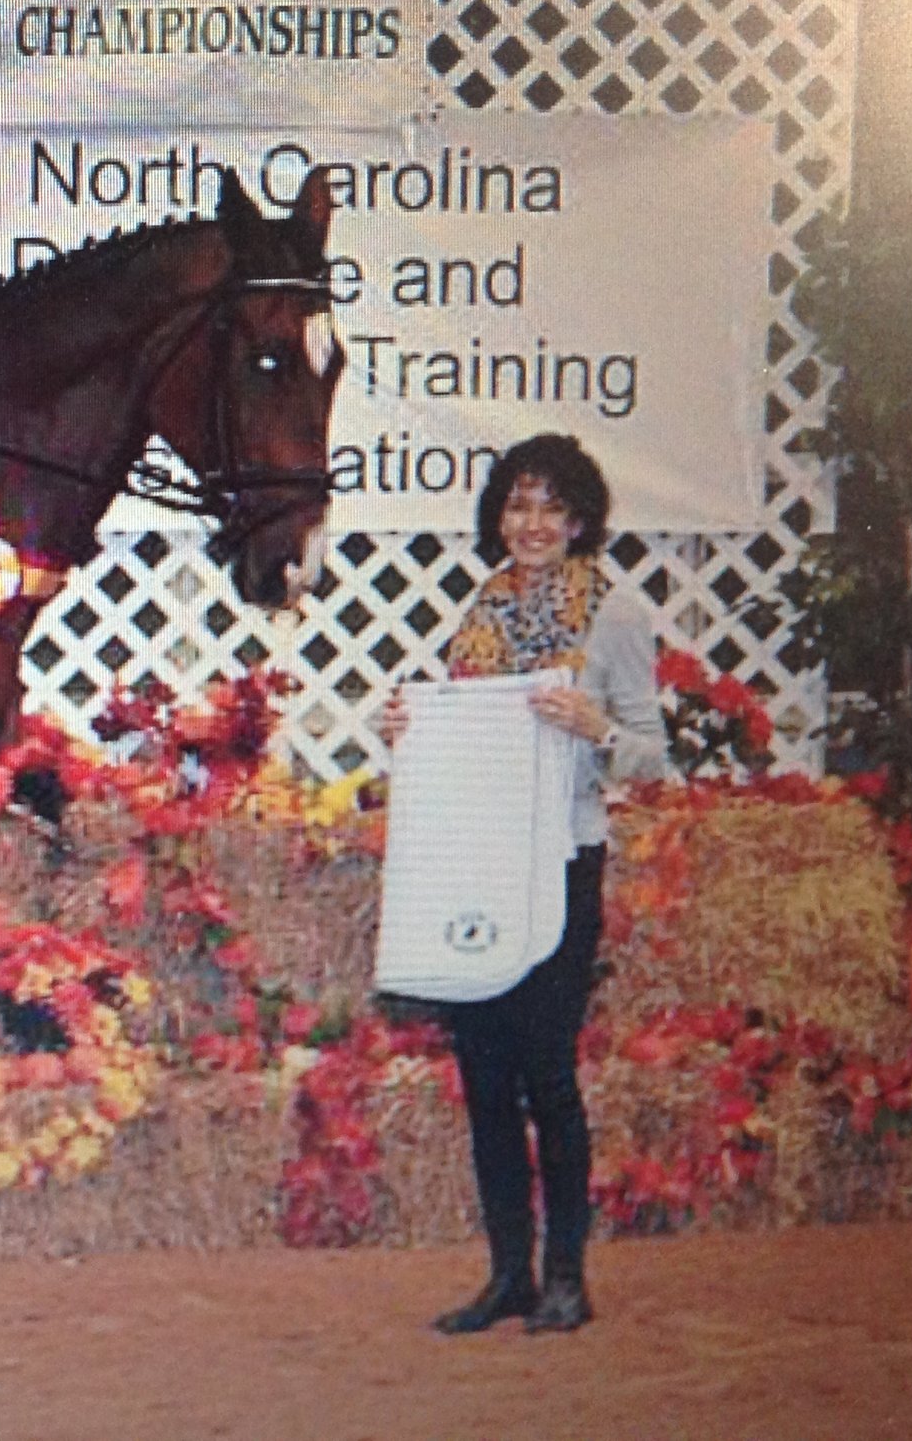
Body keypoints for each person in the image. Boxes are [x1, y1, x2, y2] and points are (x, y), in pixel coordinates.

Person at [379, 434, 668, 1335]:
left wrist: (595, 725)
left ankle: (567, 1276)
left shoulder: (612, 615)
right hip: (482, 860)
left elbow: (654, 753)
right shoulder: (480, 612)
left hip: (564, 858)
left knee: (548, 1072)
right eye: (516, 505)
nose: (532, 523)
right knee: (486, 1076)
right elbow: (463, 733)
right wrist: (405, 726)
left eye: (549, 507)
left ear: (579, 519)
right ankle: (507, 1272)